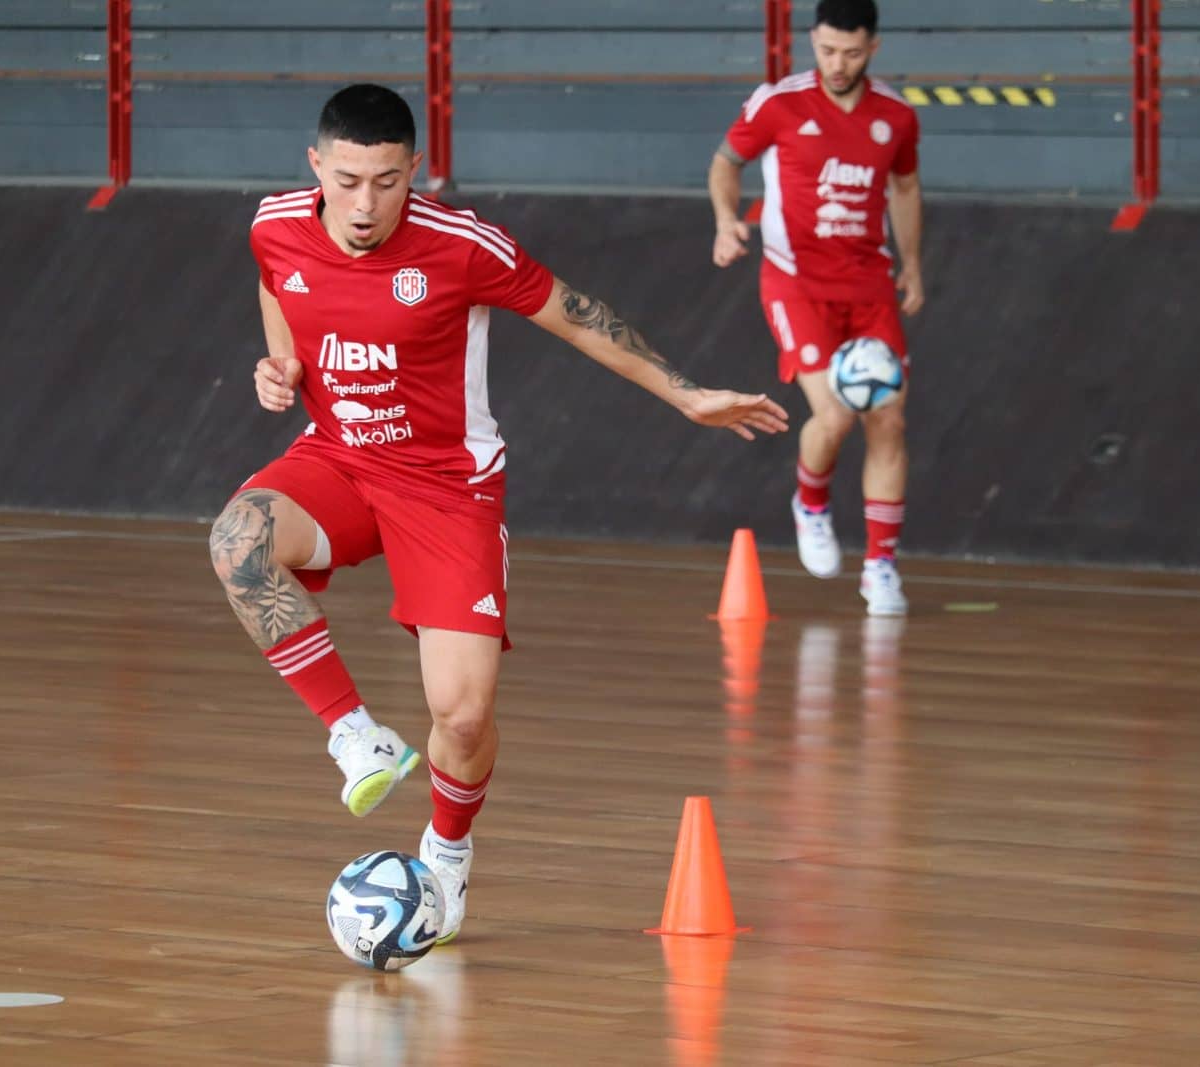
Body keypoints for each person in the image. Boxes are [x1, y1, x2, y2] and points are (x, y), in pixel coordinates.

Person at [208, 84, 788, 945]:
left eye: (387, 182)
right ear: (315, 167)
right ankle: (357, 737)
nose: (364, 204)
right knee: (237, 541)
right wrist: (283, 363)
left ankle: (447, 850)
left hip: (447, 486)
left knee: (463, 716)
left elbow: (579, 317)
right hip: (338, 459)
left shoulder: (462, 245)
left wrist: (687, 394)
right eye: (347, 181)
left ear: (416, 170)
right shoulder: (276, 224)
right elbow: (275, 283)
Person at [707, 0, 923, 616]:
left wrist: (912, 265)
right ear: (813, 42)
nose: (837, 63)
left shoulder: (896, 117)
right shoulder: (778, 103)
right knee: (834, 415)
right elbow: (725, 162)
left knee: (889, 420)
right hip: (795, 284)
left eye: (851, 53)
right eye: (827, 50)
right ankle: (811, 502)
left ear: (872, 49)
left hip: (870, 288)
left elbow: (906, 187)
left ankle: (880, 566)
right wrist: (725, 221)